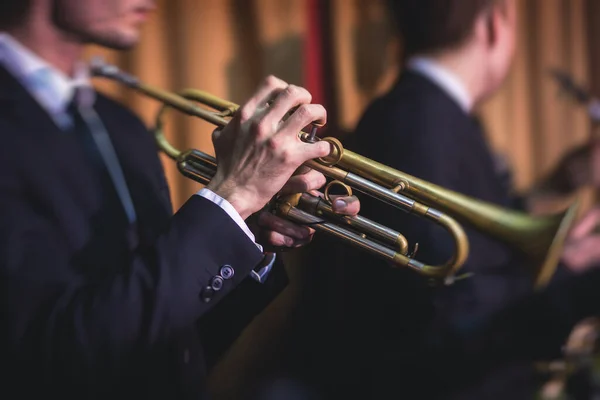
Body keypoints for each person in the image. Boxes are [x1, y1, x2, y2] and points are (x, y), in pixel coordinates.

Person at [0, 0, 361, 399]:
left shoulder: (121, 126)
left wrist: (246, 231)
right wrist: (233, 195)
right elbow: (53, 357)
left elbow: (175, 350)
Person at [294, 0, 600, 398]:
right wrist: (570, 272)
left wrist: (554, 195)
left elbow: (467, 247)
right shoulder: (423, 124)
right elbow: (451, 316)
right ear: (494, 23)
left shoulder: (423, 113)